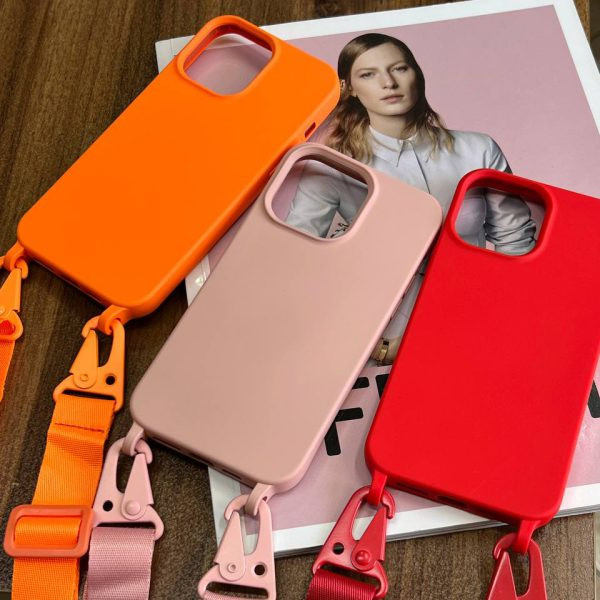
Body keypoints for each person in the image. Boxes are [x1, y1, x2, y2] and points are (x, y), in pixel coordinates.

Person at [286, 33, 537, 364]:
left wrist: (501, 312)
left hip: (479, 312)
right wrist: (362, 338)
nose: (388, 83)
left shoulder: (478, 149)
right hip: (390, 334)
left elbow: (516, 242)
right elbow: (298, 257)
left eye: (399, 68)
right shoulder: (333, 164)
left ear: (417, 73)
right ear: (350, 88)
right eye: (369, 74)